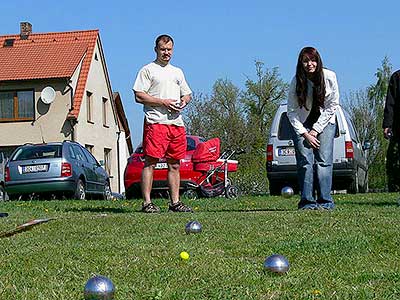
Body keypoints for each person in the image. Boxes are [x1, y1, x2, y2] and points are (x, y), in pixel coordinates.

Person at [133, 34, 193, 213]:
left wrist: (183, 102)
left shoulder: (177, 72)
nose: (166, 53)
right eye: (163, 49)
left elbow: (187, 94)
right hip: (155, 122)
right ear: (156, 50)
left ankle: (175, 202)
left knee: (174, 164)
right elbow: (138, 95)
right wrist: (163, 102)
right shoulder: (148, 70)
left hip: (175, 123)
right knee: (150, 162)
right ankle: (147, 203)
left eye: (169, 50)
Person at [287, 47, 339, 210]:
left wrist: (315, 130)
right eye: (305, 61)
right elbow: (291, 111)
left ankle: (325, 201)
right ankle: (307, 201)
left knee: (323, 161)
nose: (310, 64)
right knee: (305, 162)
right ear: (301, 63)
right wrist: (305, 133)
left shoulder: (329, 76)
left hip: (326, 121)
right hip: (302, 124)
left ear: (318, 61)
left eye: (313, 60)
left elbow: (332, 106)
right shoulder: (296, 81)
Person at [383, 70, 400, 192]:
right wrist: (387, 124)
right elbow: (390, 103)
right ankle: (395, 186)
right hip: (398, 126)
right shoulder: (397, 77)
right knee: (394, 157)